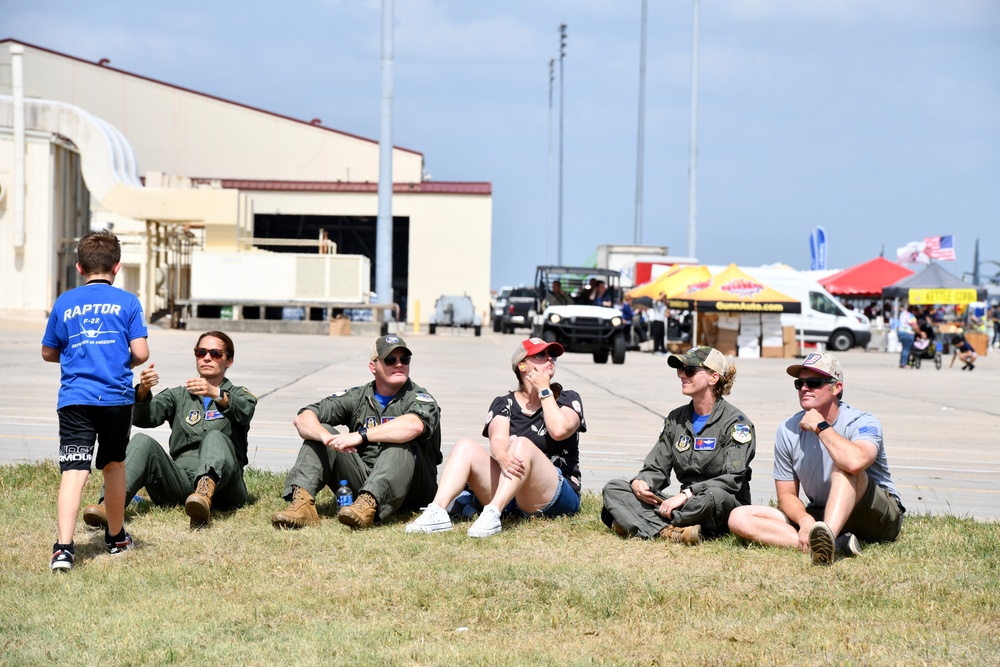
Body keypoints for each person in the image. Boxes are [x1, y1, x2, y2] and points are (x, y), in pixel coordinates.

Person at [728, 352, 905, 565]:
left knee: (843, 468)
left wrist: (821, 427)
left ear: (836, 388)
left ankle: (827, 536)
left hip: (876, 515)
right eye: (799, 383)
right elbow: (786, 496)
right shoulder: (787, 429)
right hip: (824, 512)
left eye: (813, 382)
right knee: (739, 517)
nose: (804, 388)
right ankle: (831, 543)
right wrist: (805, 521)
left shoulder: (862, 421)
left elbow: (855, 462)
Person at [41, 230, 150, 571]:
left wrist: (78, 358)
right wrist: (121, 360)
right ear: (117, 267)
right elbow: (141, 353)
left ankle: (63, 549)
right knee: (114, 466)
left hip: (75, 398)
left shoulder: (65, 302)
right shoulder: (128, 302)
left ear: (79, 267)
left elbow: (48, 351)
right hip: (116, 398)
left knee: (74, 472)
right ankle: (116, 538)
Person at [405, 338, 585, 538]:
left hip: (556, 494)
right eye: (540, 355)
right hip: (512, 491)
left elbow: (559, 430)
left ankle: (492, 512)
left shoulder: (568, 399)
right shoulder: (504, 403)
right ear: (522, 365)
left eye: (552, 355)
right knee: (465, 446)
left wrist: (544, 389)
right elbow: (498, 439)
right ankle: (437, 511)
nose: (549, 359)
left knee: (521, 444)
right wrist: (501, 456)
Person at [82, 331, 257, 530]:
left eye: (215, 353)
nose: (207, 357)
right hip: (182, 480)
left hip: (226, 486)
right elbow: (145, 417)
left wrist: (216, 394)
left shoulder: (238, 394)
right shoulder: (179, 395)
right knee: (142, 441)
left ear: (229, 361)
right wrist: (142, 391)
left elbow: (245, 411)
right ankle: (110, 506)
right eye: (201, 352)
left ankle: (204, 493)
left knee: (215, 435)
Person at [272, 334, 442, 530]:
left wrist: (360, 435)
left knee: (400, 441)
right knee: (321, 432)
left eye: (404, 359)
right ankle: (302, 505)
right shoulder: (358, 397)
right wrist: (327, 438)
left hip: (413, 487)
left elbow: (414, 426)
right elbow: (303, 418)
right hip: (365, 480)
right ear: (373, 366)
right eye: (390, 359)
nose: (398, 364)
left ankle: (369, 504)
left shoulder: (420, 397)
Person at [601, 346, 755, 545]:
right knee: (615, 488)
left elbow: (732, 479)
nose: (682, 375)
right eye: (680, 369)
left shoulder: (737, 424)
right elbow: (656, 466)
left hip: (719, 503)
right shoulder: (676, 419)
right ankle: (671, 530)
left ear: (713, 378)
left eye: (689, 370)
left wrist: (686, 494)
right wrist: (641, 482)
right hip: (683, 504)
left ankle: (642, 523)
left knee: (712, 496)